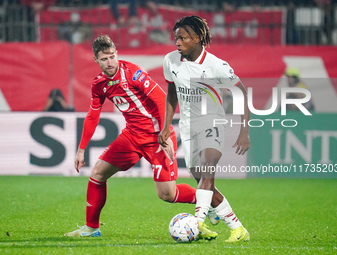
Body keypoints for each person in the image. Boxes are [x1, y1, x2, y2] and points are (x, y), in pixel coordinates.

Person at [64, 34, 198, 237]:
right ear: (96, 60)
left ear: (116, 54)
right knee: (97, 173)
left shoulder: (133, 73)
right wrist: (81, 149)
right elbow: (93, 115)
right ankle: (92, 228)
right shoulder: (99, 84)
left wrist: (165, 135)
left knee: (167, 194)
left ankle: (207, 200)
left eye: (112, 56)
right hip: (132, 136)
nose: (109, 62)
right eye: (104, 59)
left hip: (156, 136)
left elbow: (163, 101)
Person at [158, 15, 251, 243]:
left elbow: (241, 93)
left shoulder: (216, 66)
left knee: (208, 170)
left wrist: (244, 131)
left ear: (198, 38)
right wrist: (166, 124)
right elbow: (172, 94)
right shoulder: (171, 61)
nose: (177, 43)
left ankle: (197, 223)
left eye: (183, 38)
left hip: (212, 122)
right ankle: (238, 228)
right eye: (176, 38)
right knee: (202, 181)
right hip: (188, 126)